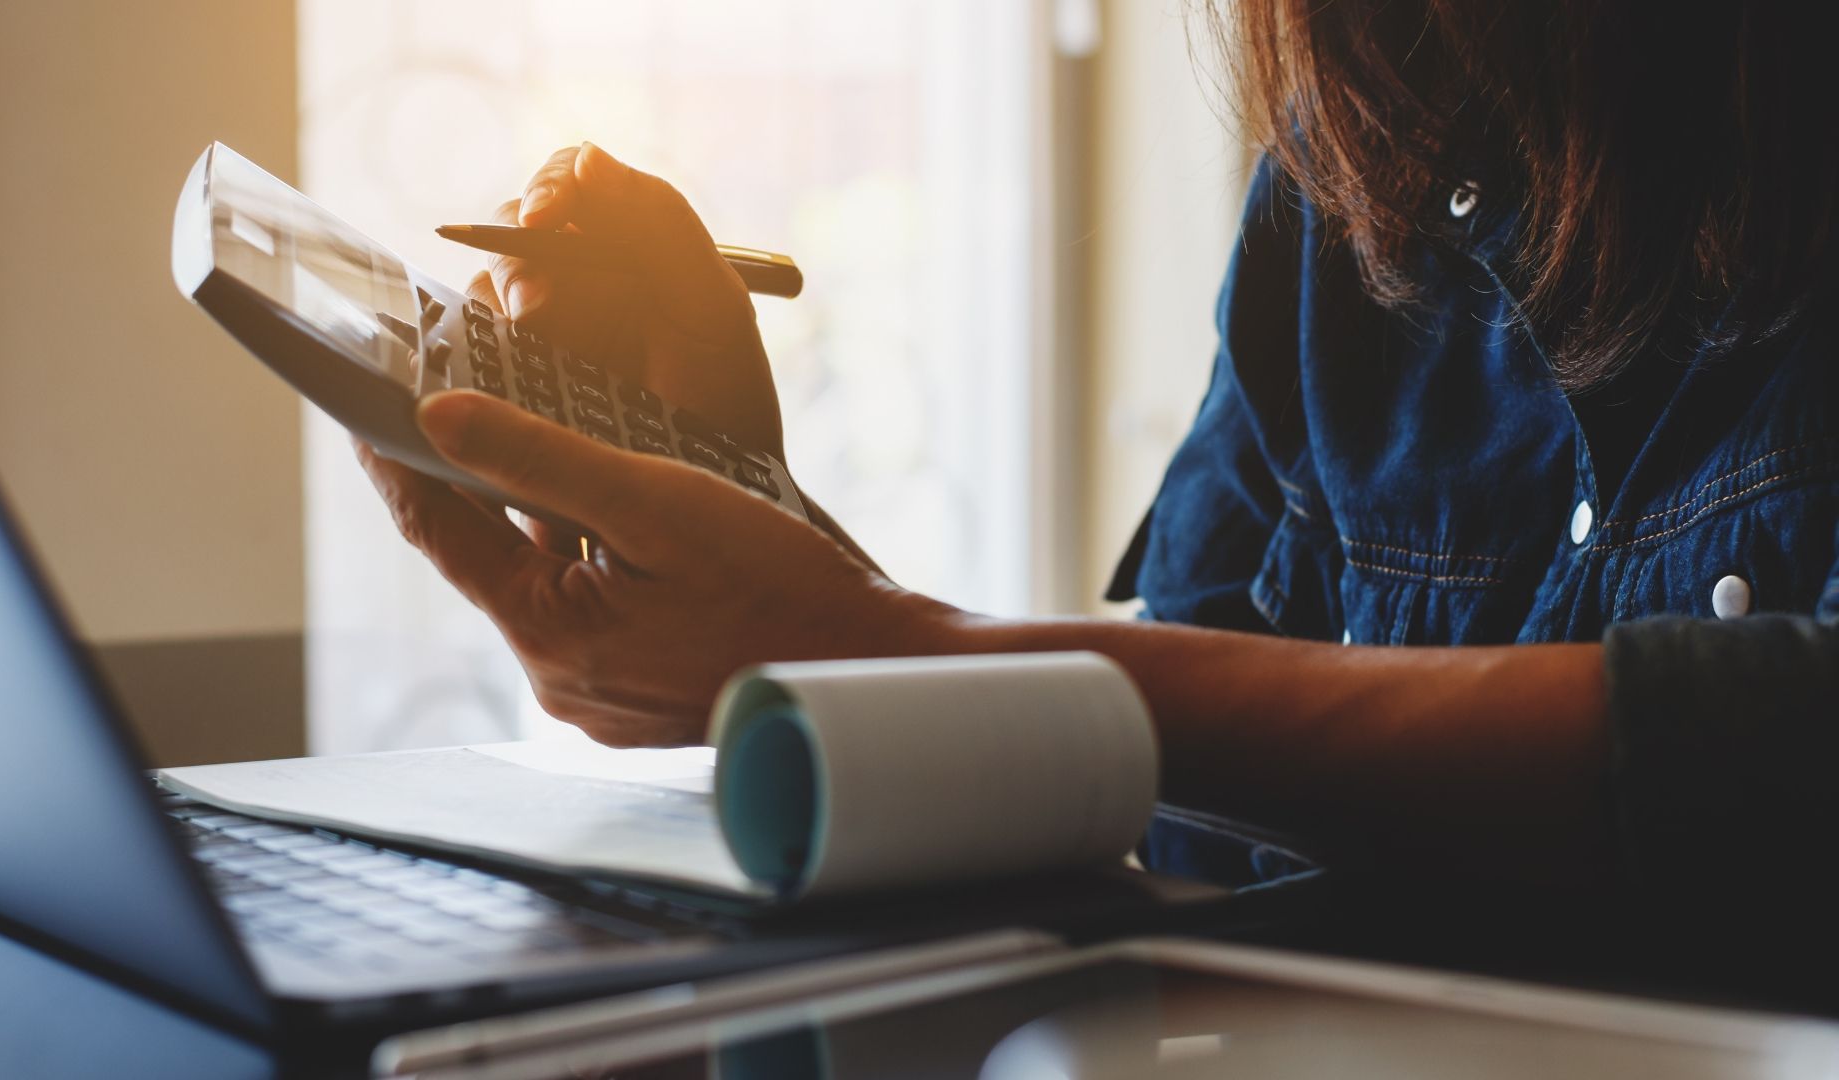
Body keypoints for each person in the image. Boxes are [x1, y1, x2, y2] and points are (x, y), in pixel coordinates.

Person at [356, 1, 1837, 912]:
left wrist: (865, 651)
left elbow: (1787, 751)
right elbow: (1165, 774)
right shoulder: (1349, 181)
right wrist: (764, 546)